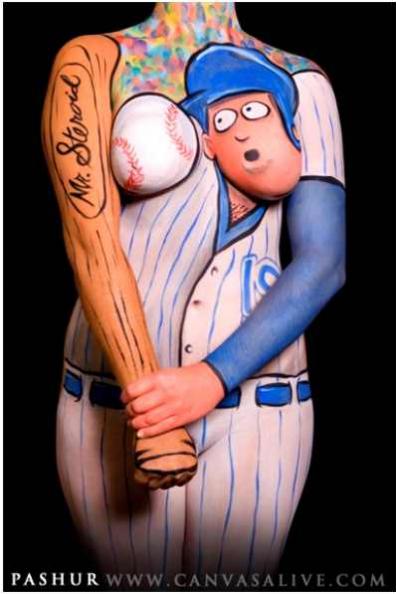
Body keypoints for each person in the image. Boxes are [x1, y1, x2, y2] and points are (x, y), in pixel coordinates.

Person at [42, 2, 345, 581]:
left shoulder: (302, 77)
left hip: (259, 408)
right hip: (116, 408)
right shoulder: (96, 60)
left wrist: (210, 378)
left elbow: (323, 262)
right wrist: (153, 416)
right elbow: (89, 240)